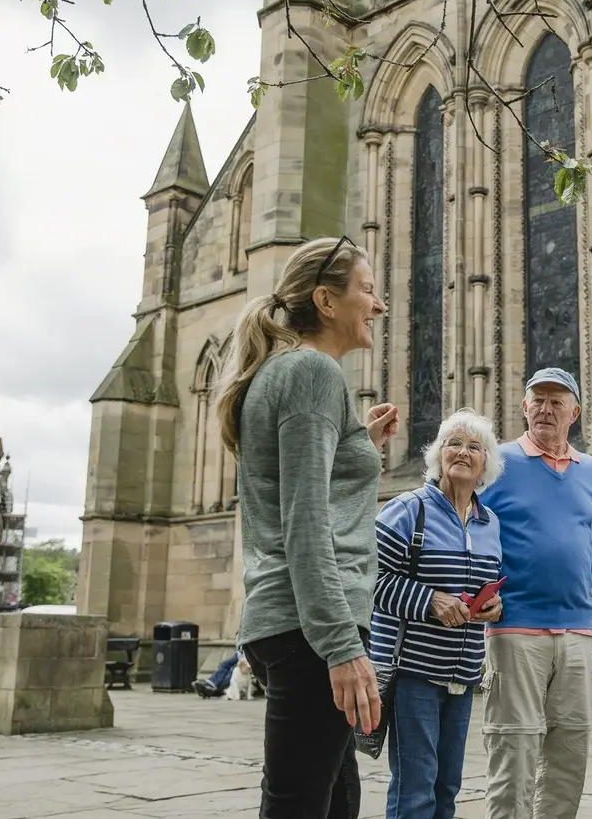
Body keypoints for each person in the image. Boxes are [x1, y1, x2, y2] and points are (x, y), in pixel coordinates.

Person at [215, 234, 400, 819]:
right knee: (298, 805)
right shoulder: (312, 372)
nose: (379, 304)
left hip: (294, 626)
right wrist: (342, 646)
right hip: (313, 630)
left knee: (336, 802)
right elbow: (304, 522)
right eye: (367, 290)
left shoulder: (286, 374)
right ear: (326, 300)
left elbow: (298, 487)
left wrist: (357, 446)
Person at [480, 367, 592, 819]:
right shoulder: (496, 463)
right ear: (524, 408)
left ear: (574, 413)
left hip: (579, 633)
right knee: (515, 748)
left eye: (557, 401)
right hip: (514, 630)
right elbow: (468, 531)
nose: (545, 408)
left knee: (570, 750)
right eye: (537, 399)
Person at [369, 408, 505, 819]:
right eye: (454, 443)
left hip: (462, 675)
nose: (463, 452)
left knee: (447, 788)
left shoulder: (490, 523)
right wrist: (430, 599)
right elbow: (367, 579)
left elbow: (492, 583)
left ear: (486, 464)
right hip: (413, 672)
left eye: (474, 447)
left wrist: (495, 608)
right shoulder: (408, 510)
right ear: (438, 455)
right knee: (416, 789)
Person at [193, 650, 262, 699]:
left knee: (234, 670)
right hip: (242, 653)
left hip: (250, 656)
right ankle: (211, 683)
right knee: (224, 665)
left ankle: (215, 690)